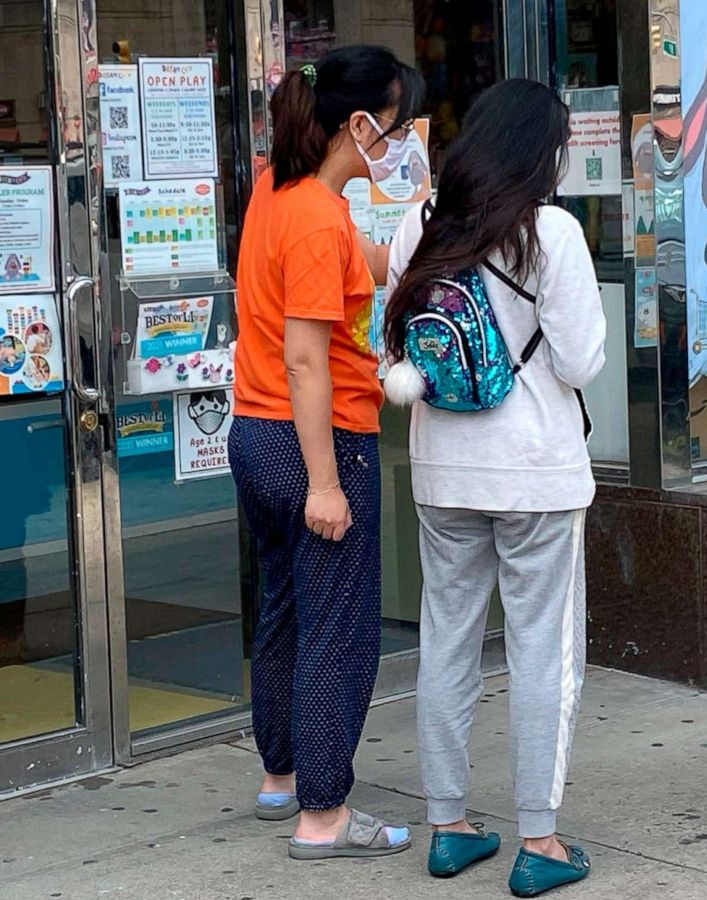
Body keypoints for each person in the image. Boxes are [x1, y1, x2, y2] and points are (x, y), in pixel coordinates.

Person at [384, 79, 606, 896]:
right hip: (538, 472)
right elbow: (582, 362)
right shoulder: (551, 232)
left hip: (443, 469)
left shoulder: (419, 223)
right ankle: (539, 841)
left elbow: (398, 340)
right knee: (545, 651)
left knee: (446, 641)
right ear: (541, 151)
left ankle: (448, 825)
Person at [228, 45, 422, 860]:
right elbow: (307, 357)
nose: (403, 143)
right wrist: (325, 483)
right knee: (336, 630)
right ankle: (325, 812)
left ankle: (282, 776)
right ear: (359, 124)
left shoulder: (282, 193)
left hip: (254, 432)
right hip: (316, 442)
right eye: (399, 127)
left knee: (284, 614)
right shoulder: (315, 217)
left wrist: (412, 249)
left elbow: (355, 268)